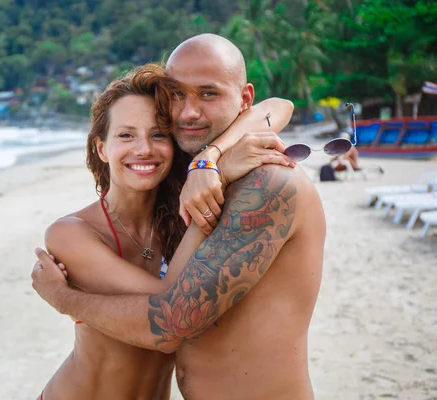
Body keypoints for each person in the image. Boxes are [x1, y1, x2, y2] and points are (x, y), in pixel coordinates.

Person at [33, 34, 326, 400]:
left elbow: (171, 323)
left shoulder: (267, 182)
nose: (188, 112)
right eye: (176, 95)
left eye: (208, 93)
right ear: (101, 147)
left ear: (244, 98)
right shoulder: (187, 196)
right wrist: (212, 163)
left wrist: (63, 299)